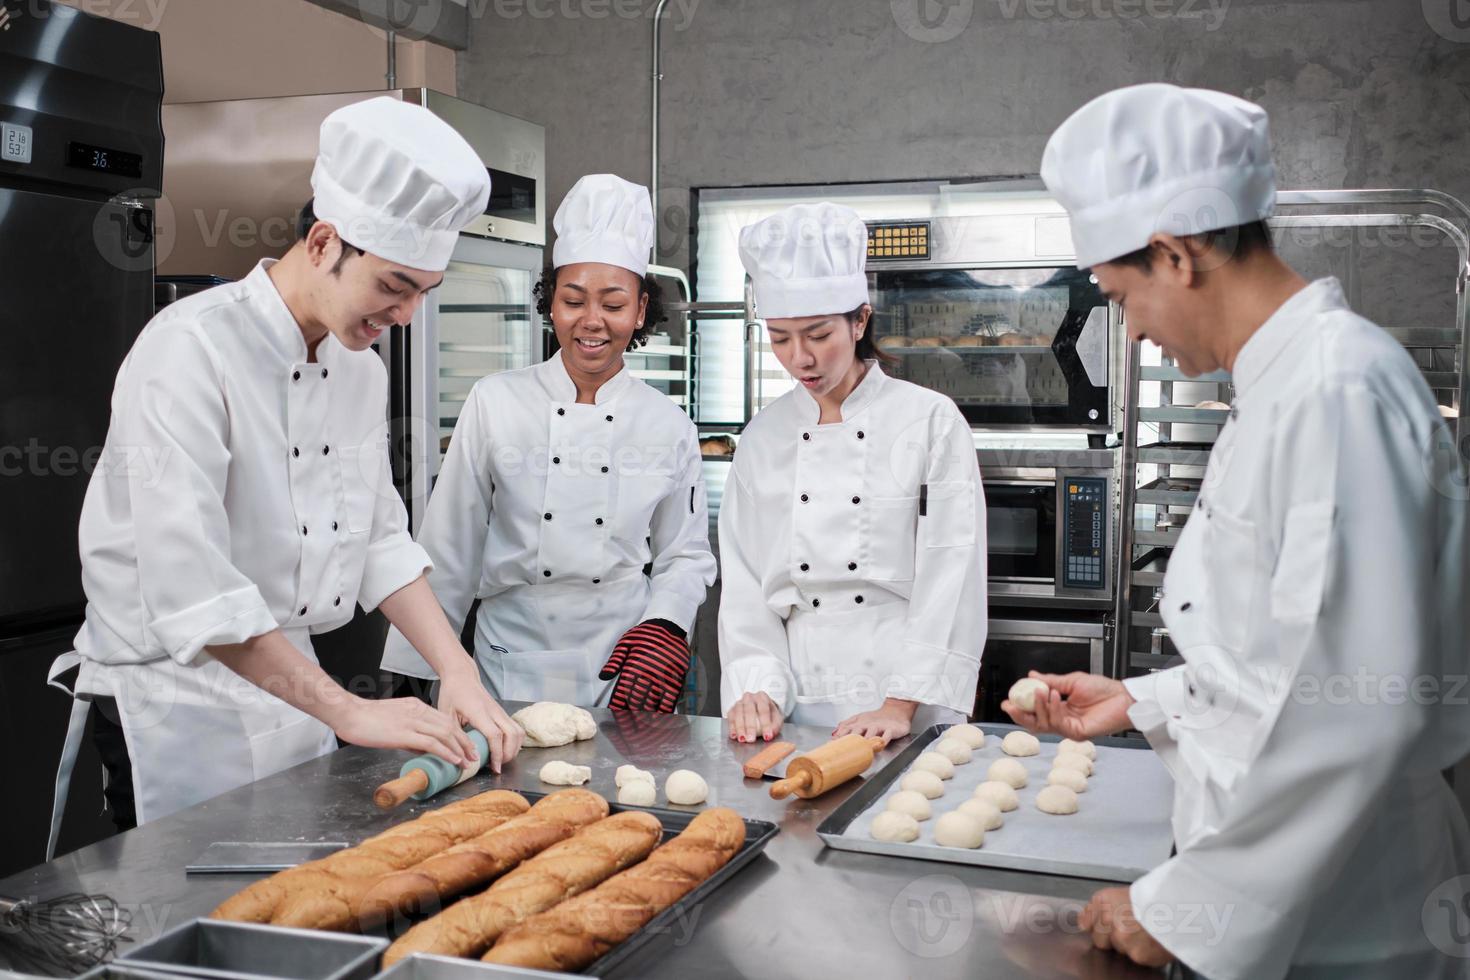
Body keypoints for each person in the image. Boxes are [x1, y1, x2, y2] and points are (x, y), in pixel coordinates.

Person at [1006, 83, 1470, 978]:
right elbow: (1284, 662)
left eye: (1120, 295)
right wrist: (1143, 701)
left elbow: (1359, 706)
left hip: (1345, 920)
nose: (1131, 331)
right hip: (1294, 894)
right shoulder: (1284, 386)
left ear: (1176, 254)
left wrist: (1186, 912)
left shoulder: (1335, 392)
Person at [47, 97, 525, 854]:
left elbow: (379, 542)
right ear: (326, 240)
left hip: (292, 690)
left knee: (292, 910)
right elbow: (193, 590)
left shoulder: (358, 371)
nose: (404, 315)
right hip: (175, 704)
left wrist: (457, 671)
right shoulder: (189, 351)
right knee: (184, 935)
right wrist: (351, 712)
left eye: (422, 295)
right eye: (394, 286)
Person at [382, 174, 716, 711]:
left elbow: (685, 554)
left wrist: (666, 625)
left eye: (612, 303)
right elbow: (450, 544)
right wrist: (417, 673)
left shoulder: (666, 422)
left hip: (624, 662)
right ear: (550, 303)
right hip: (509, 654)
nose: (592, 321)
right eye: (573, 299)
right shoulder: (495, 401)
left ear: (639, 309)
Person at [718, 202, 987, 745]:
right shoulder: (763, 436)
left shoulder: (929, 420)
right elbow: (746, 582)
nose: (800, 359)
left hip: (907, 692)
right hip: (797, 694)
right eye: (780, 338)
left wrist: (898, 703)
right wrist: (758, 689)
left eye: (818, 335)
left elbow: (951, 569)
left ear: (859, 320)